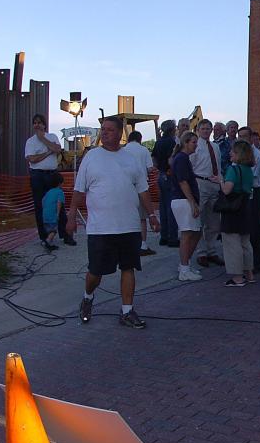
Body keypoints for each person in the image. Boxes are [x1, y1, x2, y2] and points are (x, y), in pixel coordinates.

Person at [66, 116, 159, 329]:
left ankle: (127, 311)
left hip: (129, 226)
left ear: (120, 133)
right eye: (103, 129)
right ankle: (87, 297)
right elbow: (79, 190)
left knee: (129, 268)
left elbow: (142, 190)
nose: (105, 133)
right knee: (95, 272)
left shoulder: (131, 159)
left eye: (109, 129)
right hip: (101, 228)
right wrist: (71, 217)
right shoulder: (91, 157)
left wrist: (152, 216)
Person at [25, 113, 74, 247]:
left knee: (59, 203)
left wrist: (43, 139)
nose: (37, 125)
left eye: (40, 122)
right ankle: (45, 236)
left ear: (45, 124)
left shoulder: (52, 137)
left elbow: (58, 149)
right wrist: (48, 152)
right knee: (40, 206)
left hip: (52, 175)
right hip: (37, 176)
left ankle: (65, 235)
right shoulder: (30, 142)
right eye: (35, 122)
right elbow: (32, 159)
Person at [220, 139, 255, 287]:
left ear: (238, 154)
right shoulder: (248, 170)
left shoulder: (233, 169)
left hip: (232, 208)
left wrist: (220, 181)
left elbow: (227, 189)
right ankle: (249, 272)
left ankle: (237, 276)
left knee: (231, 242)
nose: (230, 153)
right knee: (245, 242)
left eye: (233, 151)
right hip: (245, 206)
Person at [189, 119, 223, 268]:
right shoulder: (195, 146)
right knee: (200, 221)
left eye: (208, 129)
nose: (206, 131)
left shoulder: (215, 147)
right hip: (200, 183)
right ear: (198, 130)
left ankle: (212, 250)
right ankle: (201, 253)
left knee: (214, 222)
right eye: (203, 129)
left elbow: (219, 165)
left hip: (214, 184)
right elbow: (190, 166)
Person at [170, 131, 203, 282]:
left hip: (185, 200)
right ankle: (184, 268)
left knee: (195, 232)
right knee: (187, 234)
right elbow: (183, 182)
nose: (196, 145)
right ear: (186, 143)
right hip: (183, 200)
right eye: (194, 142)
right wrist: (192, 202)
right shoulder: (181, 159)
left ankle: (185, 264)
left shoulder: (183, 159)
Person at [122, 130, 156, 256]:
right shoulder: (144, 150)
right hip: (141, 186)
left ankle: (127, 244)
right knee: (142, 217)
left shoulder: (123, 150)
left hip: (126, 186)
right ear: (140, 139)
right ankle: (142, 244)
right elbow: (150, 168)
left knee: (127, 216)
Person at [245, 127, 260, 270]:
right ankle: (248, 260)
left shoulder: (257, 155)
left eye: (244, 136)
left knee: (255, 229)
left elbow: (251, 175)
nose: (241, 139)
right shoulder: (239, 151)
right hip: (244, 193)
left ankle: (257, 262)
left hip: (254, 191)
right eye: (239, 136)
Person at [152, 120, 179, 248]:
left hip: (161, 175)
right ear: (173, 129)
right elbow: (172, 160)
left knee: (163, 206)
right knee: (171, 207)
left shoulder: (159, 142)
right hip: (169, 176)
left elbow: (154, 160)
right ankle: (172, 238)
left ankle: (164, 236)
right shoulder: (171, 142)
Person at [41, 173, 65, 251]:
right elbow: (59, 203)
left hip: (45, 214)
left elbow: (43, 201)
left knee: (48, 229)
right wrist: (57, 214)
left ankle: (49, 242)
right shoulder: (59, 192)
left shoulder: (49, 192)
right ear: (59, 183)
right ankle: (47, 242)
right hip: (52, 215)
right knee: (53, 230)